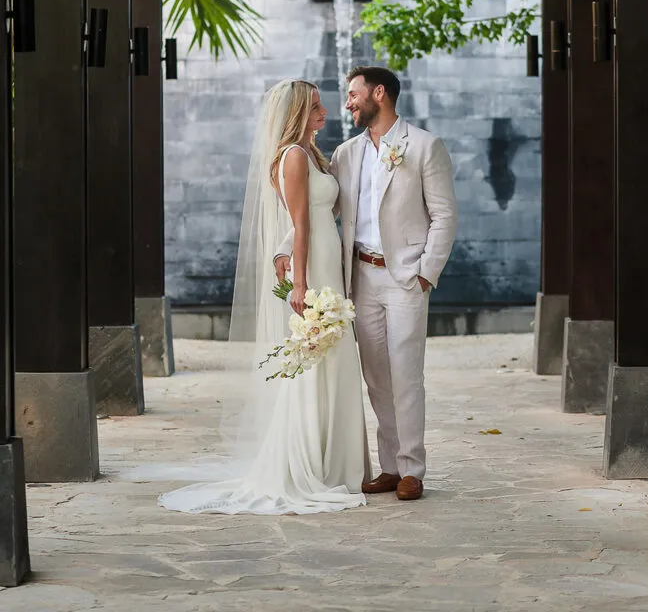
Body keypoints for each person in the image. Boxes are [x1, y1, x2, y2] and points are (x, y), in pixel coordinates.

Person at [159, 79, 371, 516]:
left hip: (326, 260)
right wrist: (299, 282)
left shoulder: (311, 154)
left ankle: (338, 464)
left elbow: (311, 216)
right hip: (314, 267)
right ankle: (313, 464)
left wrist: (284, 251)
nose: (324, 112)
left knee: (334, 358)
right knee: (317, 359)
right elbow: (301, 221)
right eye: (314, 107)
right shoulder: (292, 156)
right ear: (295, 112)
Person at [276, 67, 457, 501]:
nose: (348, 103)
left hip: (405, 278)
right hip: (358, 277)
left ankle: (413, 469)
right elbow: (320, 211)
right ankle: (390, 467)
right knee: (376, 377)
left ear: (380, 94)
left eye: (355, 94)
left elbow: (445, 216)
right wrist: (284, 248)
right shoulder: (345, 153)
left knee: (406, 374)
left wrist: (425, 273)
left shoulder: (425, 147)